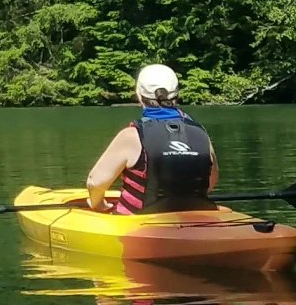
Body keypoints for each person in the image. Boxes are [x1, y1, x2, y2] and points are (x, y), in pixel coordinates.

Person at [85, 64, 217, 214]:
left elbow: (95, 182)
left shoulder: (131, 136)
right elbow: (210, 179)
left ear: (139, 95)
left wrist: (97, 204)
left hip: (140, 222)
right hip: (197, 220)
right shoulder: (200, 133)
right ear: (177, 94)